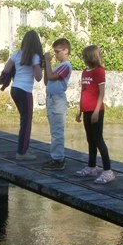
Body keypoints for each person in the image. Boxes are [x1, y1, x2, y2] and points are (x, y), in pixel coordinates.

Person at [75, 44, 115, 184]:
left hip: (96, 111)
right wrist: (79, 109)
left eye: (85, 56)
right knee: (90, 140)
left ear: (91, 57)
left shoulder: (99, 72)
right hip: (86, 110)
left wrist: (97, 111)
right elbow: (83, 91)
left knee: (99, 140)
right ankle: (91, 166)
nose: (83, 59)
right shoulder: (85, 72)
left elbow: (101, 93)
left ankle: (108, 170)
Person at [1, 30, 43, 160]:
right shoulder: (35, 57)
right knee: (27, 121)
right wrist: (42, 65)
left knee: (24, 120)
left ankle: (24, 148)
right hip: (25, 91)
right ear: (36, 43)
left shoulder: (16, 54)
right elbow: (38, 77)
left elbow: (6, 69)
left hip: (15, 89)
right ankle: (22, 152)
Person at [41, 38, 72, 171]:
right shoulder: (57, 66)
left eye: (58, 51)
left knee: (57, 131)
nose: (56, 54)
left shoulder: (66, 65)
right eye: (55, 52)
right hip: (51, 99)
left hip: (58, 100)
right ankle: (56, 157)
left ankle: (58, 159)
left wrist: (48, 61)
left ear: (66, 51)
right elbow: (46, 80)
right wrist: (45, 66)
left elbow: (52, 77)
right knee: (54, 130)